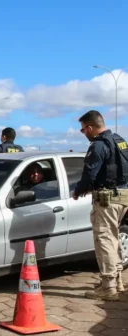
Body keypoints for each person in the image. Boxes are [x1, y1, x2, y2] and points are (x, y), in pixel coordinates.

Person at [72, 110, 128, 301]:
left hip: (107, 199)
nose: (83, 134)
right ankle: (117, 280)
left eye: (82, 130)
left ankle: (108, 286)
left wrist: (78, 191)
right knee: (113, 238)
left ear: (90, 127)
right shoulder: (120, 140)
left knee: (104, 239)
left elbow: (90, 173)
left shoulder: (98, 145)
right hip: (123, 195)